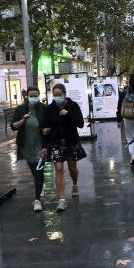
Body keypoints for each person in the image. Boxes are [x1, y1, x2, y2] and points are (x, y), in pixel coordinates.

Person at [45, 83, 86, 211]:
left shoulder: (72, 106)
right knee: (59, 168)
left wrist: (67, 114)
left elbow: (81, 123)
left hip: (71, 141)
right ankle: (61, 199)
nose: (57, 97)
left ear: (64, 94)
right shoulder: (50, 108)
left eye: (59, 95)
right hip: (56, 142)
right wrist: (46, 135)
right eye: (55, 95)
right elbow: (45, 125)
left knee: (72, 166)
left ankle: (74, 184)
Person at [10, 87, 50, 212]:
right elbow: (13, 126)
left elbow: (49, 125)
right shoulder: (20, 109)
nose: (34, 98)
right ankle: (40, 184)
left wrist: (48, 130)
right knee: (33, 169)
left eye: (36, 95)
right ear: (27, 96)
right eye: (31, 95)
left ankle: (37, 200)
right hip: (26, 145)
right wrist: (23, 120)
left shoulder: (43, 109)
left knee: (38, 170)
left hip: (40, 145)